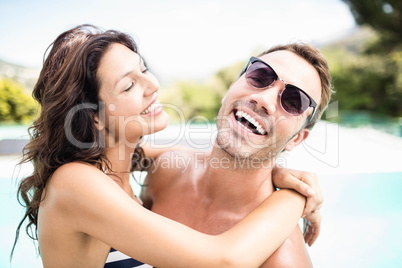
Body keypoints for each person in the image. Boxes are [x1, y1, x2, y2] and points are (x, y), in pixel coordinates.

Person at [12, 24, 320, 268]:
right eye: (129, 84)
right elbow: (225, 260)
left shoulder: (124, 166)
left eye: (144, 69)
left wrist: (275, 171)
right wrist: (295, 197)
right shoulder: (78, 183)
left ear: (297, 138)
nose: (153, 85)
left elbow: (197, 158)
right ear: (94, 117)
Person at [141, 43, 332, 267]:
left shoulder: (281, 260)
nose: (264, 100)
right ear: (232, 85)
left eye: (293, 101)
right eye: (260, 76)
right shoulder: (165, 172)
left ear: (296, 139)